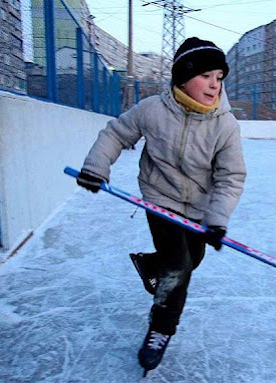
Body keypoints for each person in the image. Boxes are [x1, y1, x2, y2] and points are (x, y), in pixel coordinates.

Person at [75, 37, 247, 375]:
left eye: (219, 78)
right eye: (206, 76)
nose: (214, 85)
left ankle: (149, 264)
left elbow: (231, 176)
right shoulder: (153, 109)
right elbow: (115, 134)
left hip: (200, 206)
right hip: (160, 198)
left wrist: (218, 220)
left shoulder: (225, 124)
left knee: (190, 260)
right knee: (178, 268)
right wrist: (97, 167)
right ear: (184, 76)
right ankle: (161, 329)